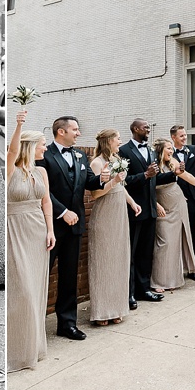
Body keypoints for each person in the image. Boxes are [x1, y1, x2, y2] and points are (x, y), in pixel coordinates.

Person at [36, 116, 108, 341]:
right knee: (40, 274)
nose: (78, 133)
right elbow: (42, 190)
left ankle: (67, 324)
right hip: (49, 226)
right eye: (75, 129)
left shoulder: (80, 155)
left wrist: (102, 179)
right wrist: (62, 212)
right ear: (61, 132)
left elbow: (88, 182)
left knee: (69, 277)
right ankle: (34, 324)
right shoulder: (43, 155)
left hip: (75, 227)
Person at [6, 109, 54, 372]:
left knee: (35, 290)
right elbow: (12, 152)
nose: (45, 149)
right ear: (30, 146)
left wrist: (50, 230)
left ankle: (33, 347)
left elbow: (46, 202)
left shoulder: (42, 172)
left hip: (38, 232)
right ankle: (16, 349)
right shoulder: (11, 169)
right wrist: (18, 125)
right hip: (15, 228)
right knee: (21, 290)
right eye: (42, 145)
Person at [119, 119, 175, 307]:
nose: (148, 129)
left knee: (146, 252)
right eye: (145, 127)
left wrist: (174, 174)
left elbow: (155, 179)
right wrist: (145, 175)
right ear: (135, 129)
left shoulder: (151, 151)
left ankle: (144, 289)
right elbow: (123, 181)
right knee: (132, 253)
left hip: (150, 209)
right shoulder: (124, 151)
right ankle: (130, 293)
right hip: (135, 209)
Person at [87, 129, 137, 326]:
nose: (120, 141)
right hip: (105, 214)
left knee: (118, 260)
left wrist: (132, 203)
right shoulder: (97, 163)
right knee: (104, 261)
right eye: (117, 138)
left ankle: (116, 308)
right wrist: (114, 180)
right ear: (108, 141)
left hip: (119, 214)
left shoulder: (117, 159)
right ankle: (101, 311)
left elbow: (120, 187)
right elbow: (95, 195)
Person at [151, 138, 195, 291]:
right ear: (160, 149)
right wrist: (156, 205)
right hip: (164, 208)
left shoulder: (172, 162)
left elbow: (186, 176)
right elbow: (148, 187)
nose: (171, 151)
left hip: (178, 205)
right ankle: (159, 281)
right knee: (164, 244)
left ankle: (177, 276)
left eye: (171, 148)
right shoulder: (153, 164)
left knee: (180, 241)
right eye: (168, 148)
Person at [169, 125, 195, 257]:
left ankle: (193, 267)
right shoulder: (168, 154)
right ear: (173, 137)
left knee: (193, 231)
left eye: (185, 135)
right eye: (181, 136)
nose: (185, 138)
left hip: (193, 198)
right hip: (174, 198)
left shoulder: (192, 150)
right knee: (176, 232)